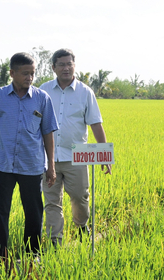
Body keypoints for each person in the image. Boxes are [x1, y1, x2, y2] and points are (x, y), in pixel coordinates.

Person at [0, 52, 58, 260]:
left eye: (32, 73)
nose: (29, 78)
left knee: (33, 213)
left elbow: (48, 133)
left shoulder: (42, 99)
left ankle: (32, 256)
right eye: (25, 74)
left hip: (31, 165)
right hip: (3, 165)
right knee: (0, 213)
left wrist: (51, 165)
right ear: (12, 73)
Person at [39, 48, 111, 245]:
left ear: (74, 66)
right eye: (61, 64)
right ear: (53, 67)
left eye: (69, 64)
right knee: (52, 201)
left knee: (80, 196)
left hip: (76, 155)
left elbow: (96, 123)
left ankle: (81, 226)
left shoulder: (85, 92)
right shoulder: (43, 90)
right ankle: (55, 240)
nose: (66, 68)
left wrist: (104, 155)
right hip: (48, 157)